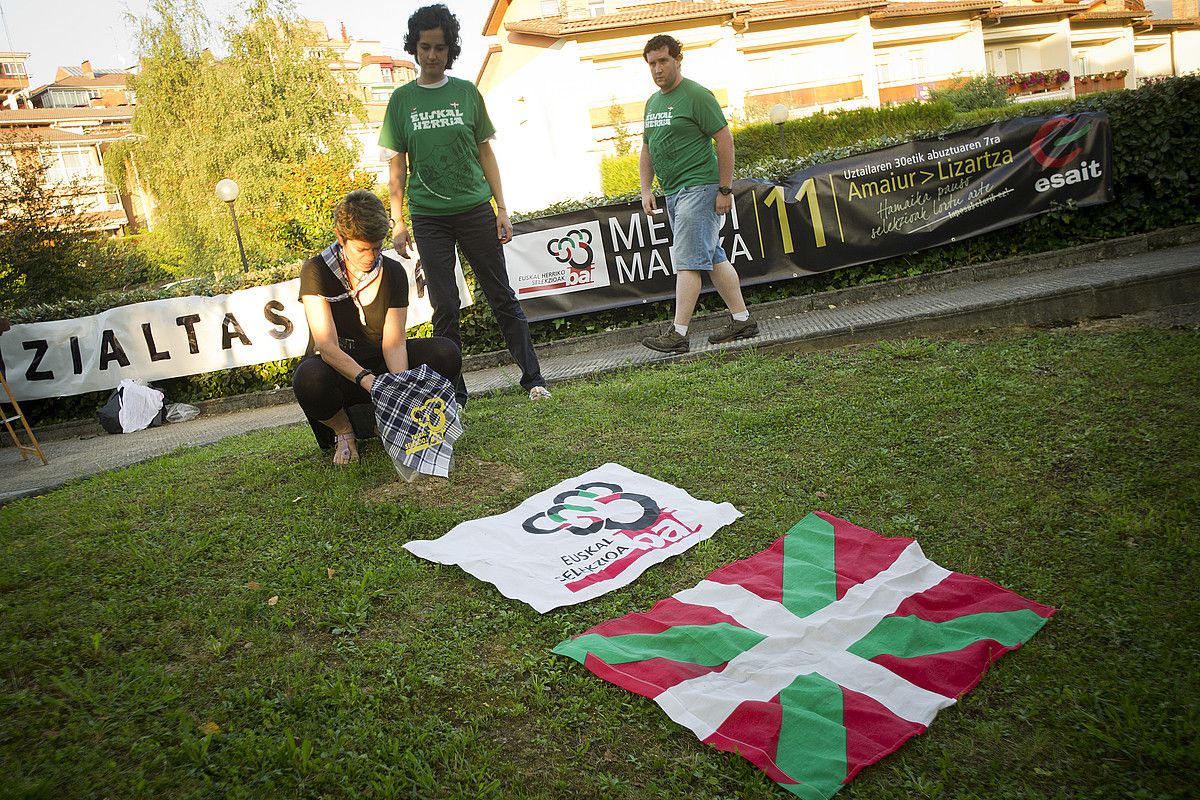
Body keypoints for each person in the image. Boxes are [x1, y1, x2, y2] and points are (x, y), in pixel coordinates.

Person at [380, 3, 551, 406]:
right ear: (414, 48)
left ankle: (534, 379)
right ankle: (453, 392)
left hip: (475, 210)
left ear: (450, 49)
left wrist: (502, 207)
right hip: (428, 218)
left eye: (440, 47)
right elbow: (396, 167)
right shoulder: (401, 101)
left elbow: (486, 153)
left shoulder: (466, 93)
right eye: (425, 47)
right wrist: (397, 220)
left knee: (501, 296)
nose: (432, 55)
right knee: (445, 306)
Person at [293, 189, 462, 465]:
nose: (370, 256)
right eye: (361, 248)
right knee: (308, 378)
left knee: (445, 352)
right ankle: (344, 432)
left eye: (376, 246)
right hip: (339, 370)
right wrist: (371, 384)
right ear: (340, 237)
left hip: (380, 364)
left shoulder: (393, 271)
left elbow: (393, 342)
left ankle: (395, 422)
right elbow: (326, 346)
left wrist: (401, 391)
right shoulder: (316, 271)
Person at [638, 34, 759, 354]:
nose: (658, 69)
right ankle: (743, 319)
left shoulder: (696, 95)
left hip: (699, 188)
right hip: (674, 193)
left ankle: (678, 334)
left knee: (688, 262)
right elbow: (647, 148)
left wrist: (724, 189)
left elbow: (725, 142)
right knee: (713, 258)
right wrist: (646, 188)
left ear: (678, 60)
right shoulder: (653, 102)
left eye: (664, 61)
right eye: (652, 63)